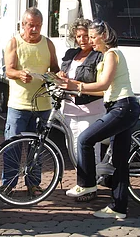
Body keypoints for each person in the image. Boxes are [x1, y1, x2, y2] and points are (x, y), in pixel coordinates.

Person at [64, 19, 140, 218]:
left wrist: (77, 86)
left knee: (85, 140)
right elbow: (104, 89)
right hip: (120, 106)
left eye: (93, 37)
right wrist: (72, 84)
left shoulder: (111, 54)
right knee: (119, 161)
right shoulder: (107, 55)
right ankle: (118, 208)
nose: (90, 41)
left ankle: (87, 184)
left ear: (104, 37)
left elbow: (104, 84)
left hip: (122, 107)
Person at [2, 7, 60, 196]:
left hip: (43, 104)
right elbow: (8, 70)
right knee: (12, 146)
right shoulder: (14, 43)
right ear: (23, 24)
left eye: (38, 26)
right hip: (19, 105)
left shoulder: (48, 44)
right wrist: (19, 74)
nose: (34, 30)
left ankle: (33, 184)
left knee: (39, 147)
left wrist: (57, 75)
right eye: (30, 26)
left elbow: (55, 69)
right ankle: (8, 184)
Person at [58, 18, 105, 167]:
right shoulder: (71, 54)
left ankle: (92, 183)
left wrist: (73, 84)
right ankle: (83, 182)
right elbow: (63, 72)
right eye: (78, 36)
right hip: (70, 109)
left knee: (89, 149)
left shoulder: (99, 55)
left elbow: (99, 83)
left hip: (90, 110)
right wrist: (60, 75)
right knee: (72, 149)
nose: (82, 40)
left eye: (85, 35)